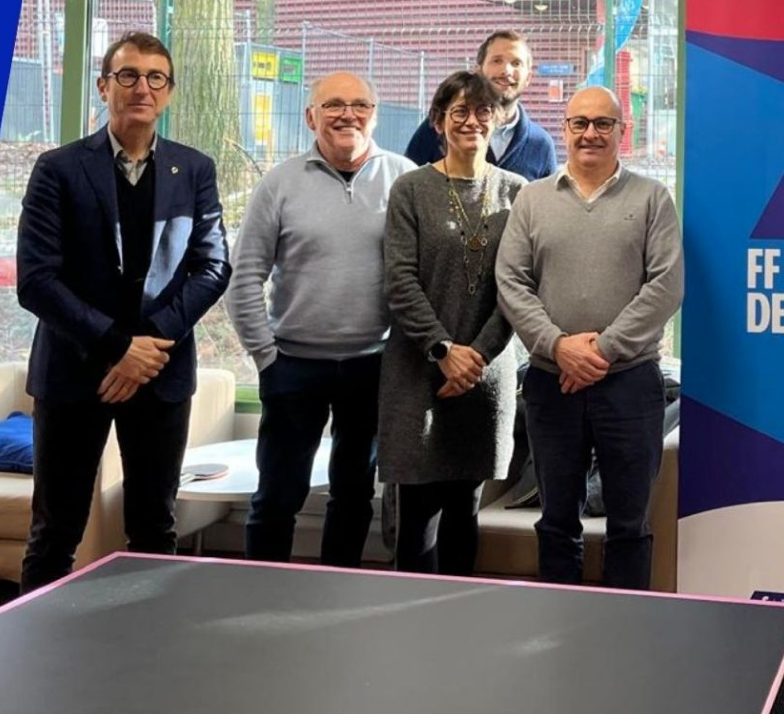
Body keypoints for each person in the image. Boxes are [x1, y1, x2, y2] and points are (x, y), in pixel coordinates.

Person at [15, 31, 230, 591]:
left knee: (155, 528)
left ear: (169, 92)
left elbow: (212, 268)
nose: (142, 88)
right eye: (128, 75)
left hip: (159, 374)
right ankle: (34, 641)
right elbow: (36, 280)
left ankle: (150, 641)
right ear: (103, 86)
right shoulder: (58, 168)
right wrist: (116, 347)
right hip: (73, 373)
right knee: (54, 532)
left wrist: (147, 347)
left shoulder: (195, 169)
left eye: (156, 77)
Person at [496, 86, 683, 590]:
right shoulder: (533, 199)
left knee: (629, 525)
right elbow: (511, 283)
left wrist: (600, 351)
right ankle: (561, 620)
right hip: (551, 382)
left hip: (630, 385)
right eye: (580, 123)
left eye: (603, 123)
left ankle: (627, 622)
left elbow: (666, 286)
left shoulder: (652, 198)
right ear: (565, 129)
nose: (590, 133)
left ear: (623, 131)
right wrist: (559, 347)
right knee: (557, 522)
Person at [227, 72, 418, 567]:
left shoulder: (404, 179)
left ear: (375, 115)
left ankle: (337, 593)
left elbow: (419, 278)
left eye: (360, 105)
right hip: (293, 366)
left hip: (373, 366)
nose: (347, 115)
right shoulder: (280, 183)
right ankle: (260, 597)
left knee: (354, 496)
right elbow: (243, 277)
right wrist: (266, 358)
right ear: (311, 117)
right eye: (333, 105)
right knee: (277, 498)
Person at [378, 71, 526, 575]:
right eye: (459, 111)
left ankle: (460, 619)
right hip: (418, 374)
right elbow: (399, 281)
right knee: (416, 519)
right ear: (438, 121)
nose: (472, 121)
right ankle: (412, 621)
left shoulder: (518, 193)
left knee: (466, 510)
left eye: (483, 111)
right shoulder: (410, 189)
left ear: (497, 119)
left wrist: (476, 358)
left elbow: (517, 289)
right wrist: (443, 351)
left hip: (485, 377)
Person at [404, 29, 558, 182]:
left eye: (516, 63)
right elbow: (410, 182)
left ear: (528, 78)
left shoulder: (541, 144)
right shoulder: (441, 128)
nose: (506, 71)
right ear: (478, 70)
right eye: (497, 61)